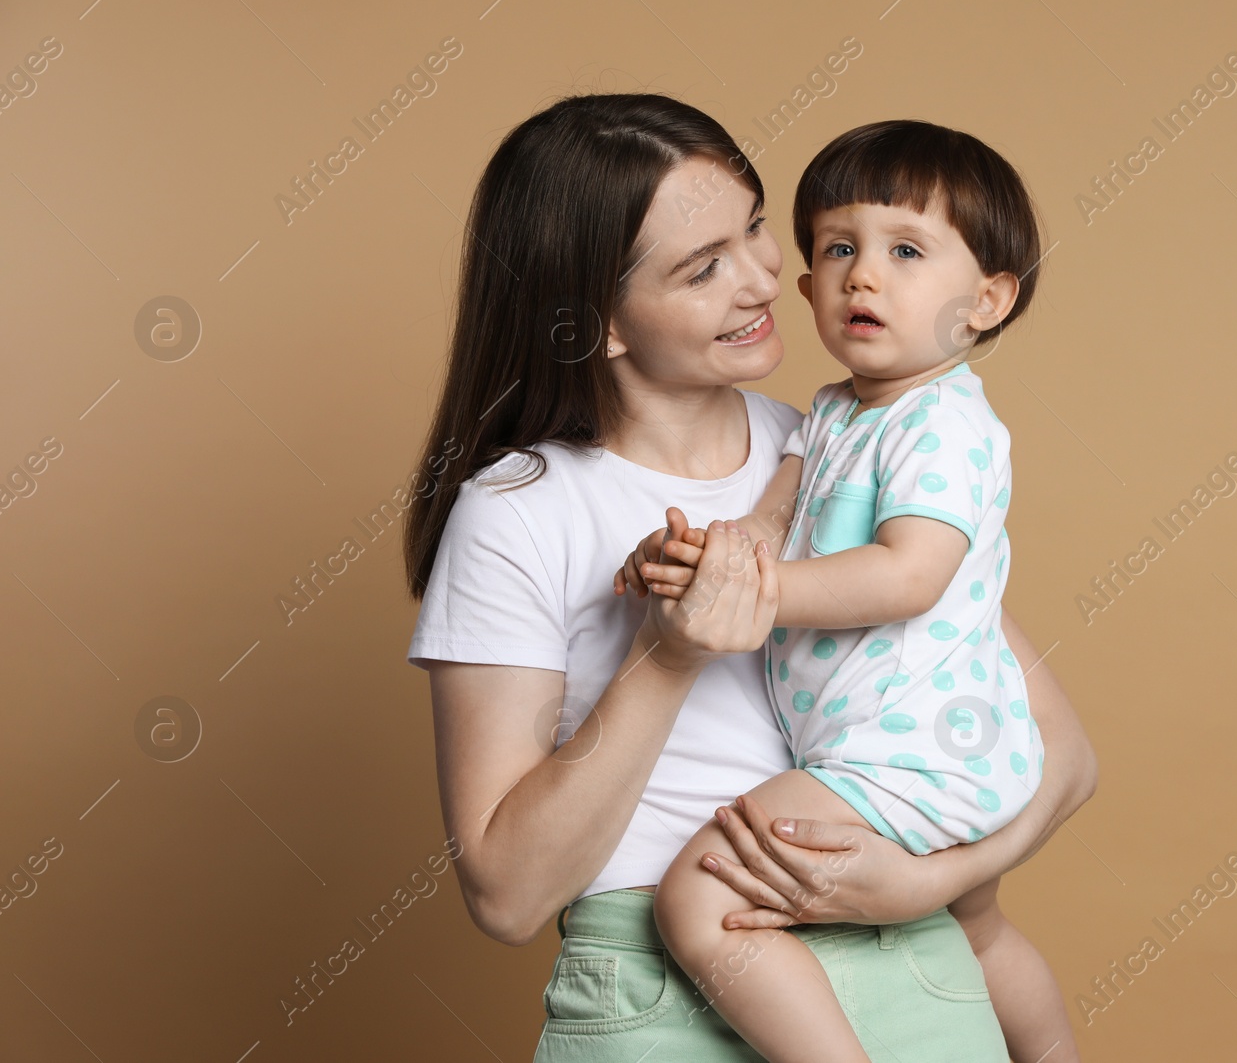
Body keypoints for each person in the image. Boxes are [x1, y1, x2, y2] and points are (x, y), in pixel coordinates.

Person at [401, 92, 1097, 1062]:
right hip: (664, 989)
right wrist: (669, 651)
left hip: (914, 967)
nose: (768, 277)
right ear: (597, 322)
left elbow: (1063, 757)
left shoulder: (839, 438)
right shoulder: (520, 509)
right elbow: (508, 896)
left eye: (758, 229)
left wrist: (924, 885)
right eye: (703, 266)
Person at [617, 120, 1077, 1063]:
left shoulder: (943, 424)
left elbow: (912, 574)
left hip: (909, 753)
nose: (863, 275)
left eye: (906, 251)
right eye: (839, 248)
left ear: (987, 301)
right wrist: (696, 558)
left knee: (697, 895)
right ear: (809, 285)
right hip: (905, 741)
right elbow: (768, 523)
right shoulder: (835, 409)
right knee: (979, 929)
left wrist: (762, 596)